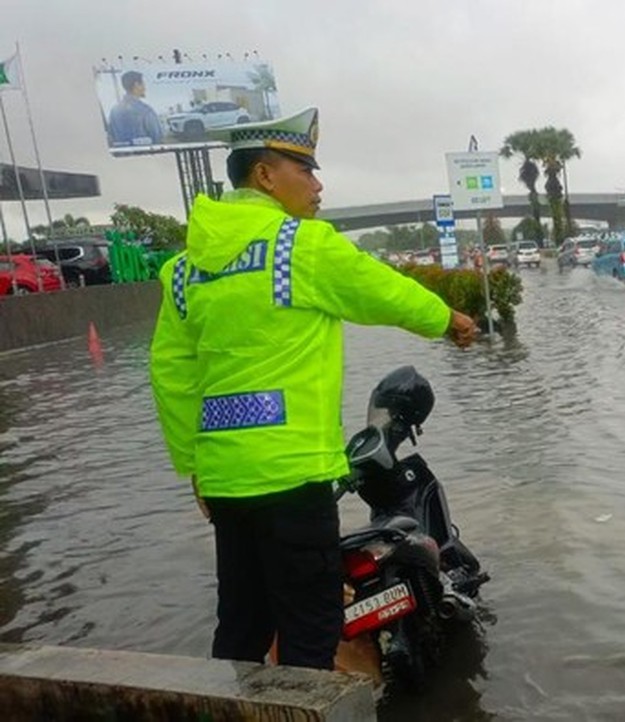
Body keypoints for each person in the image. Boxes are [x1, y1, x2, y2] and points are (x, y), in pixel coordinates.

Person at [149, 107, 479, 671]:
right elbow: (381, 290)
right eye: (304, 169)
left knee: (243, 622)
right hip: (293, 475)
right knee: (311, 627)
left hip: (226, 480)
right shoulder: (299, 246)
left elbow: (172, 377)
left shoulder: (184, 269)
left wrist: (195, 469)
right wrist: (448, 319)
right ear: (265, 175)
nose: (317, 184)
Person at [107, 71, 164, 147]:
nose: (145, 88)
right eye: (143, 84)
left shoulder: (114, 111)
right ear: (137, 85)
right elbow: (157, 138)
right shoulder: (146, 111)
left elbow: (111, 137)